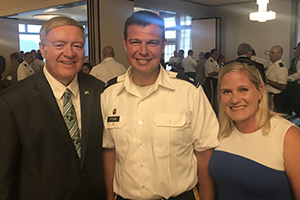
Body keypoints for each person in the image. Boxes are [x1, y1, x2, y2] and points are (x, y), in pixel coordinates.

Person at [102, 11, 219, 200]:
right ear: (125, 44)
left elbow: (205, 153)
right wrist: (109, 196)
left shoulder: (189, 91)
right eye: (135, 42)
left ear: (163, 45)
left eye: (152, 43)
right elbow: (109, 149)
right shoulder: (109, 94)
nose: (143, 51)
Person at [0, 16, 106, 199]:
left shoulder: (99, 90)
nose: (69, 53)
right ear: (43, 48)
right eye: (59, 45)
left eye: (77, 46)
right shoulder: (13, 101)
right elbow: (4, 174)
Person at [208, 60, 300, 200]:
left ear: (260, 92)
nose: (234, 99)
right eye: (227, 91)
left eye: (243, 89)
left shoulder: (287, 135)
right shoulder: (219, 131)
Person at [265, 45, 288, 111]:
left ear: (279, 55)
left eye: (273, 53)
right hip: (268, 95)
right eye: (270, 52)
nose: (270, 55)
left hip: (274, 98)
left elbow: (283, 86)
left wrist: (268, 81)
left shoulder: (281, 68)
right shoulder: (272, 65)